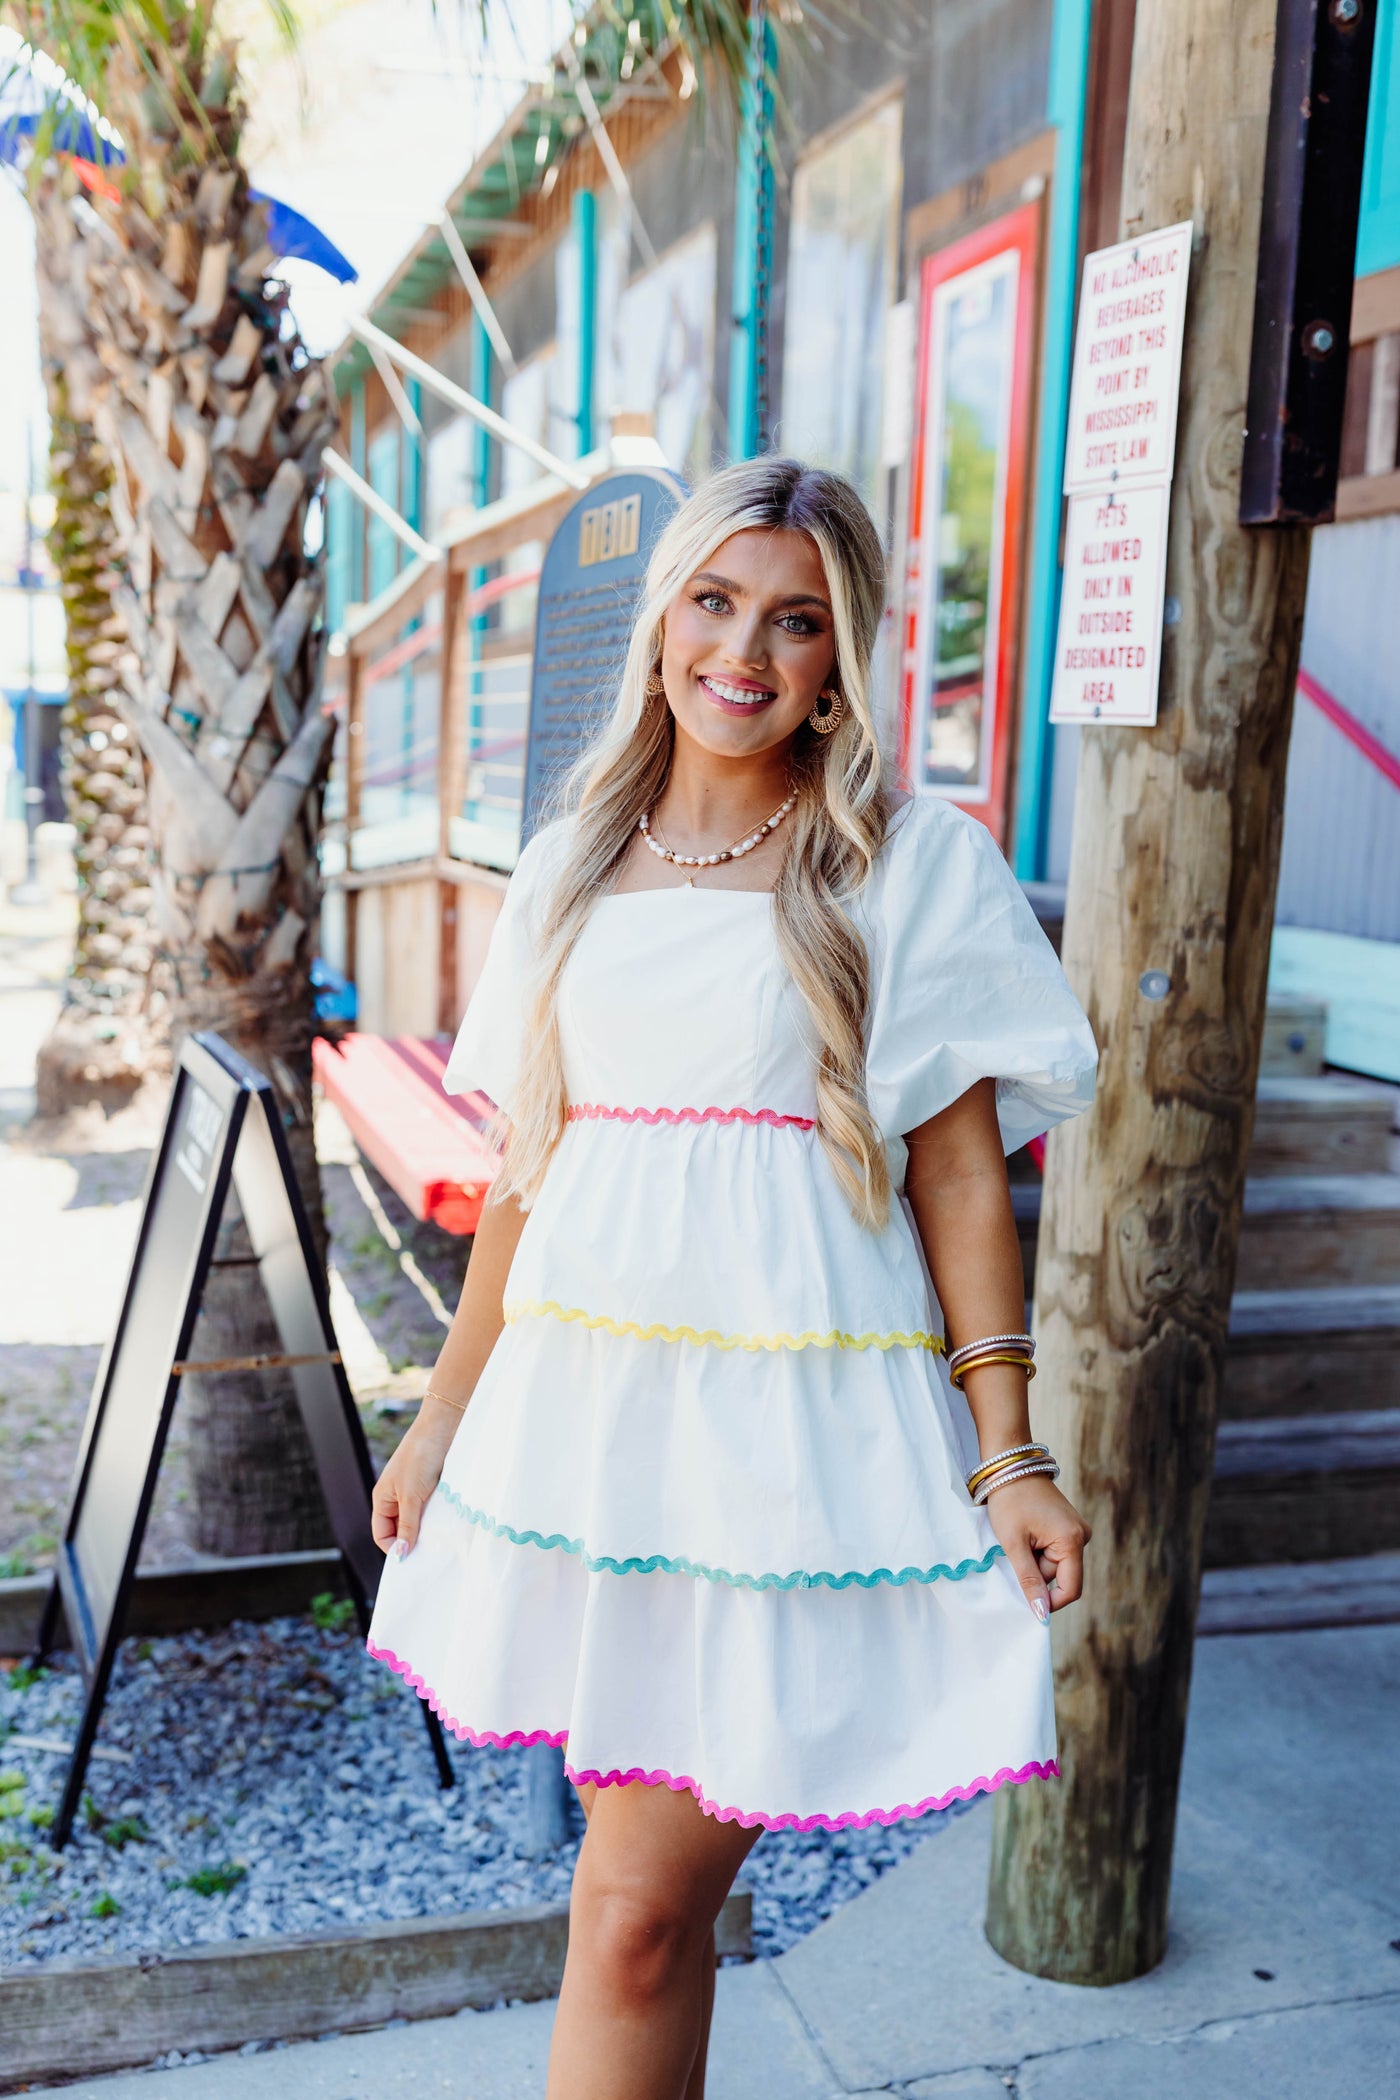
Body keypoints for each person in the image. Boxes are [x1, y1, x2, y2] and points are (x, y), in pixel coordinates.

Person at [367, 457, 1097, 2098]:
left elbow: (964, 1179)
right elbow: (528, 1181)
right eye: (713, 603)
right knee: (643, 1925)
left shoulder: (909, 866)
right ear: (662, 621)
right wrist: (435, 1422)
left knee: (630, 1913)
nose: (745, 654)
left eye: (797, 620)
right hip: (600, 1445)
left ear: (845, 655)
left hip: (789, 1459)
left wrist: (1013, 1452)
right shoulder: (567, 863)